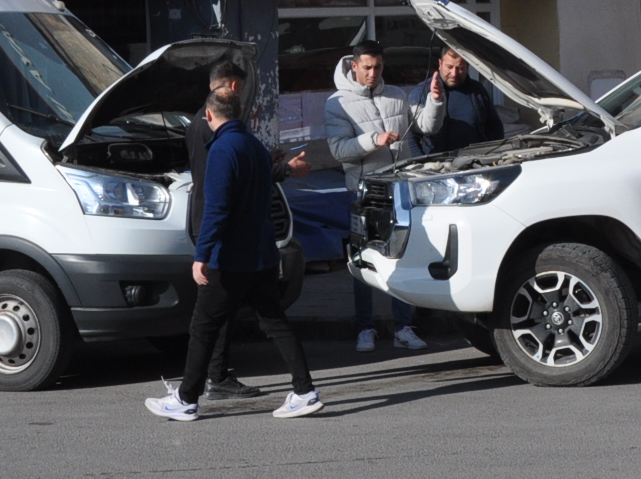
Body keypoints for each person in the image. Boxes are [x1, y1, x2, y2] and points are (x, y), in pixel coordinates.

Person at [147, 92, 322, 421]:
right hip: (263, 254)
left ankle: (186, 399)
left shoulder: (222, 150)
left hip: (231, 259)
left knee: (203, 326)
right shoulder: (254, 146)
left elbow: (217, 208)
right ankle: (304, 391)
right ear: (240, 113)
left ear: (210, 116)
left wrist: (202, 255)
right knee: (274, 322)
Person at [185, 58, 308, 401]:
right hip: (227, 233)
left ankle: (202, 386)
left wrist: (272, 164)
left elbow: (230, 183)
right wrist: (205, 251)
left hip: (229, 235)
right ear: (234, 89)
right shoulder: (219, 134)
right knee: (219, 316)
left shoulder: (221, 134)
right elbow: (221, 194)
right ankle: (214, 379)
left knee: (215, 316)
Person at [324, 39, 439, 352]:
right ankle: (366, 328)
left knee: (400, 258)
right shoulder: (338, 103)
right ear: (354, 66)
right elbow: (338, 150)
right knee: (364, 264)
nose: (373, 73)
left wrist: (436, 102)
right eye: (367, 67)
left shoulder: (396, 96)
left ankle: (403, 326)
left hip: (399, 189)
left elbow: (426, 126)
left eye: (377, 67)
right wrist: (374, 139)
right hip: (364, 193)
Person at [421, 47, 504, 155]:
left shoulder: (477, 90)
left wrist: (494, 154)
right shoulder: (423, 91)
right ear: (440, 63)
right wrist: (422, 162)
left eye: (460, 68)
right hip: (439, 165)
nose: (454, 73)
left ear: (467, 67)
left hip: (477, 161)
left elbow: (495, 126)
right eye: (449, 67)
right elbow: (412, 135)